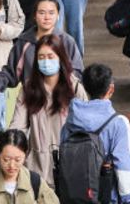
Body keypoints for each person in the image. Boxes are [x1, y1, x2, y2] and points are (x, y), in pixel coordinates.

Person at [9, 34, 85, 186]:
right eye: (41, 57)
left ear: (60, 58)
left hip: (69, 169)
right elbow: (18, 126)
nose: (46, 61)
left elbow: (86, 127)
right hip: (37, 170)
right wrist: (8, 143)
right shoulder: (28, 89)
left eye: (50, 56)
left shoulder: (74, 88)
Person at [61, 63, 130, 204]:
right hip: (106, 198)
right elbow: (125, 170)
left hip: (73, 198)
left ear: (84, 87)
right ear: (111, 89)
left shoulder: (70, 122)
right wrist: (129, 199)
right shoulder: (118, 123)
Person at [0, 0, 83, 95]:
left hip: (61, 99)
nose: (47, 17)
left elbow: (76, 72)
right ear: (34, 15)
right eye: (42, 13)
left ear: (58, 16)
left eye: (51, 13)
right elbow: (10, 73)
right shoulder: (24, 42)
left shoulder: (67, 41)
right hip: (31, 101)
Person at [0, 129, 60, 204]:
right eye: (6, 159)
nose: (12, 166)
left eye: (17, 160)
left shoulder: (35, 182)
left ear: (25, 155)